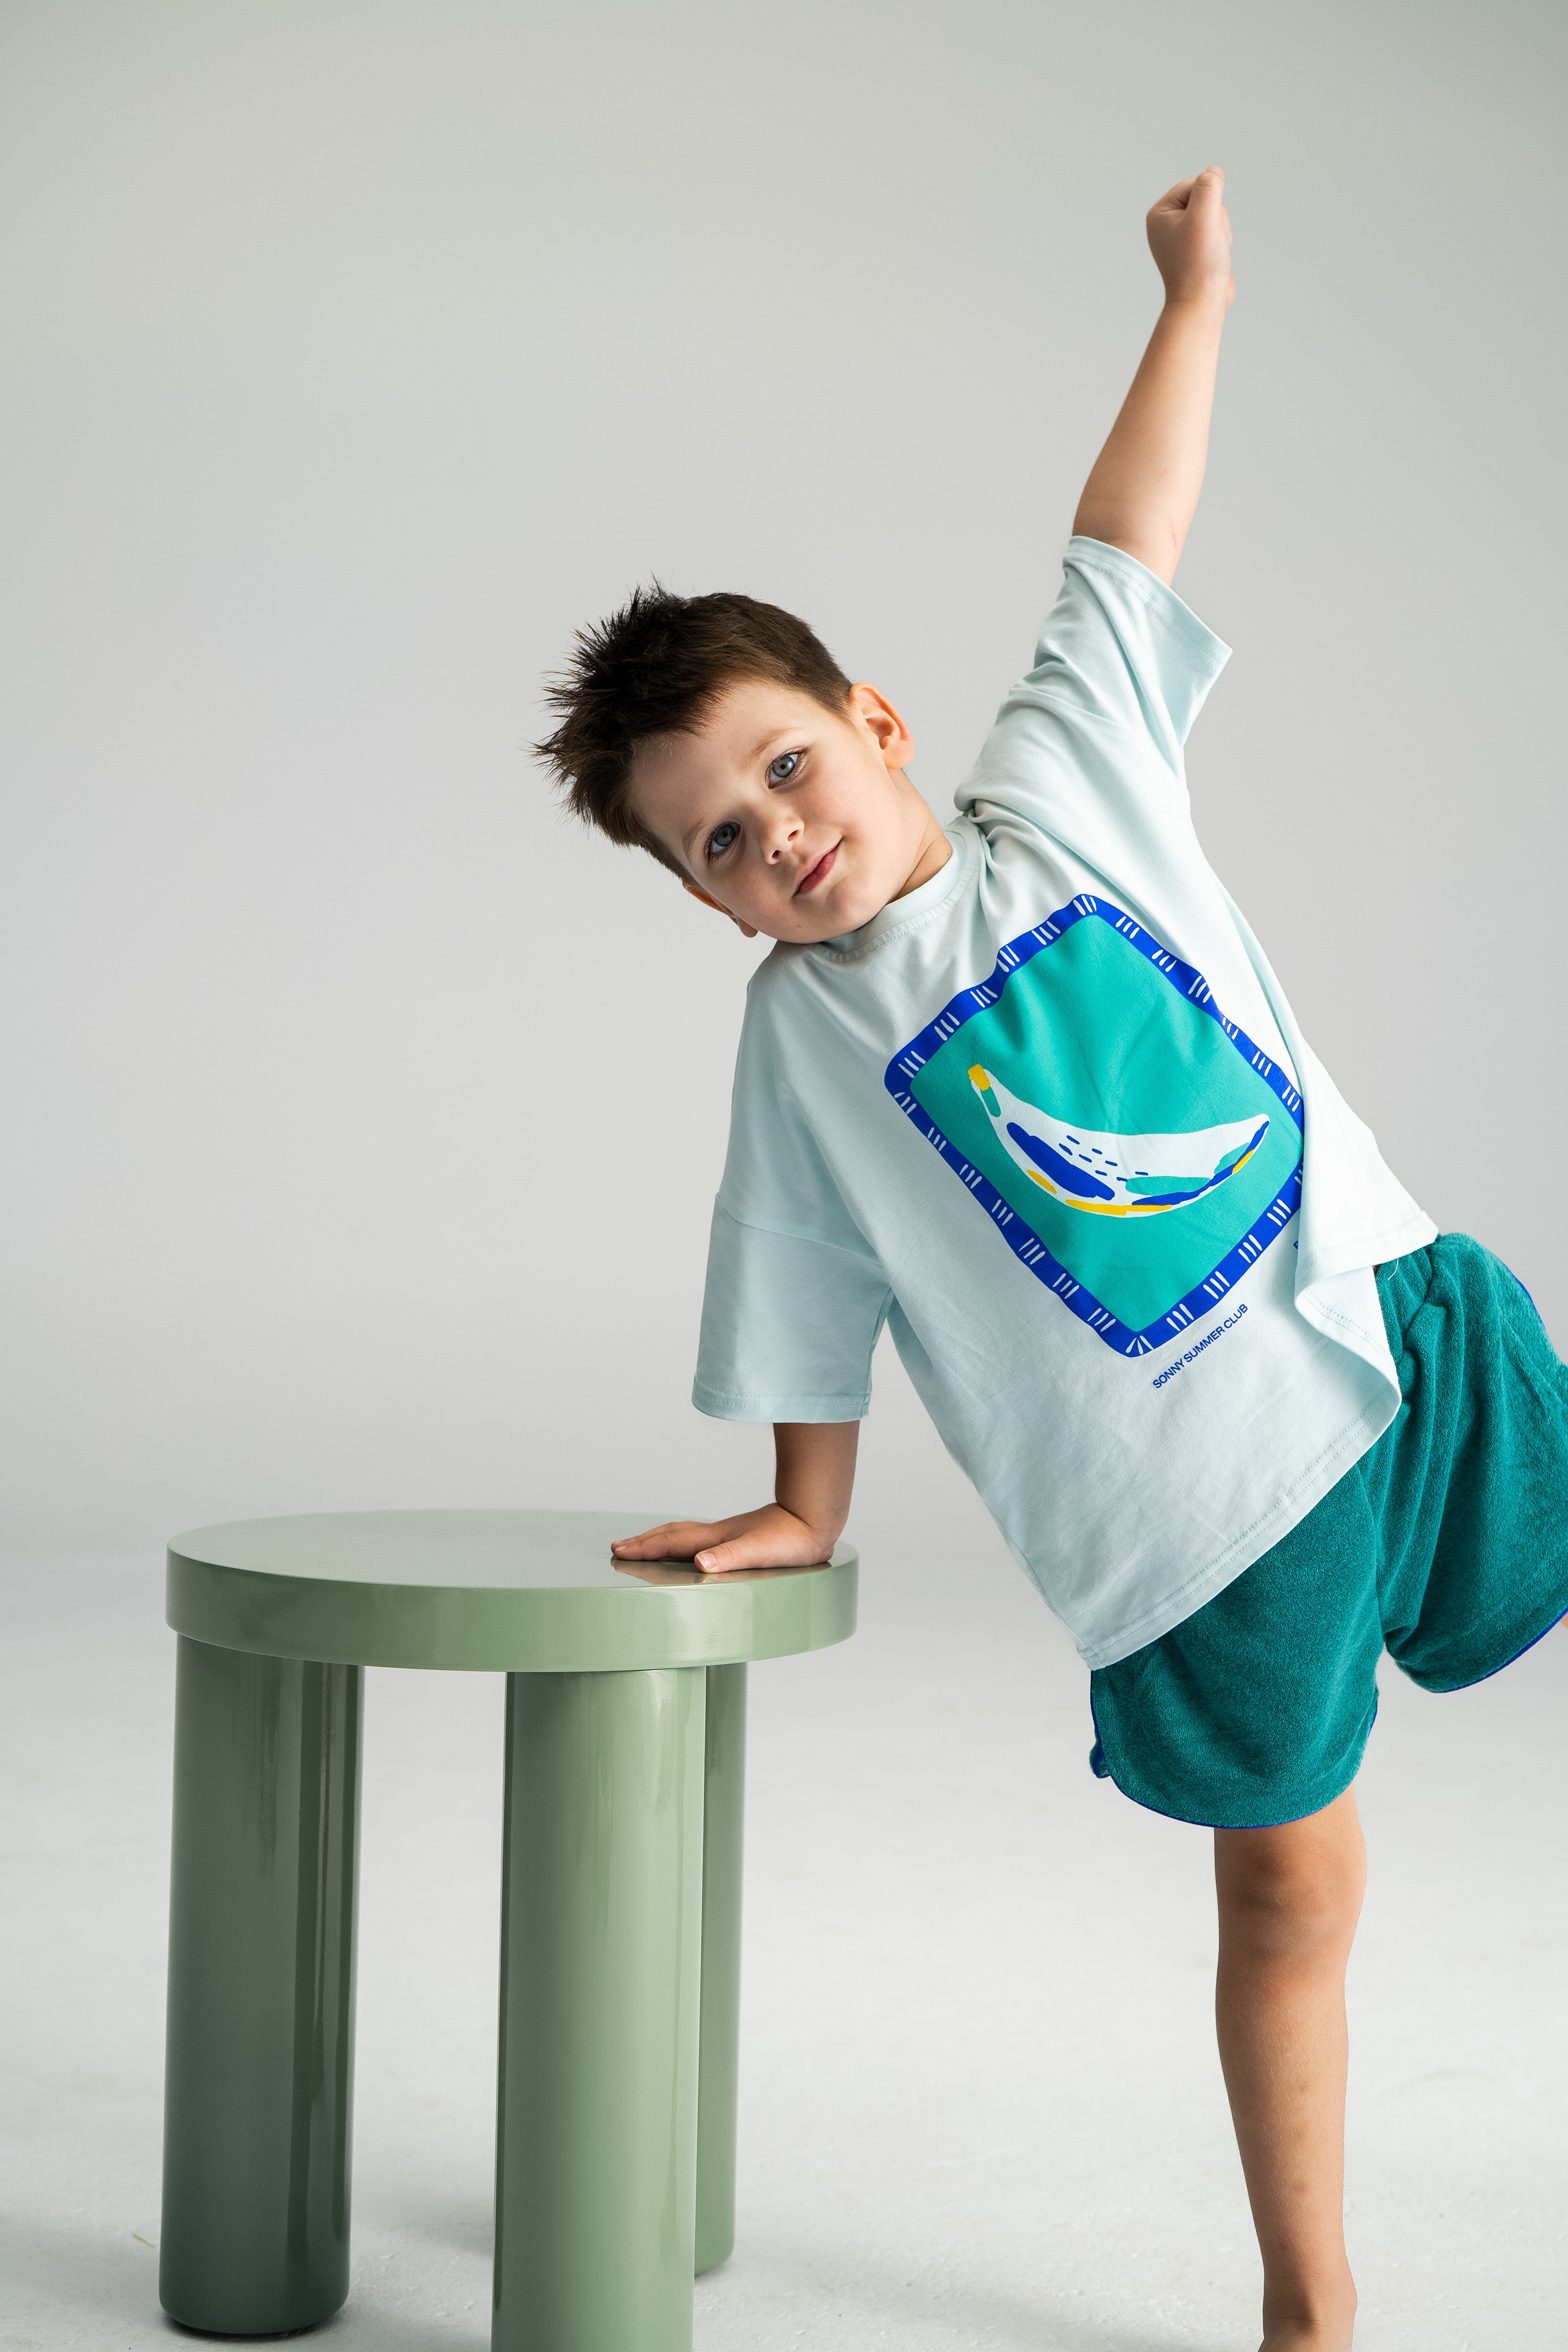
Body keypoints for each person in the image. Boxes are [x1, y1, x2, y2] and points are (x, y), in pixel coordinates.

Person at [535, 168, 1568, 2352]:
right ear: (708, 901)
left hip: (1396, 1332)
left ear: (877, 723)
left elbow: (1128, 531)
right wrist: (802, 1509)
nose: (782, 836)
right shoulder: (799, 1053)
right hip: (1199, 1524)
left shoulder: (1066, 779)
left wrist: (1198, 293)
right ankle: (1315, 2297)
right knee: (1294, 1883)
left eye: (788, 768)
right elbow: (809, 1282)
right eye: (723, 842)